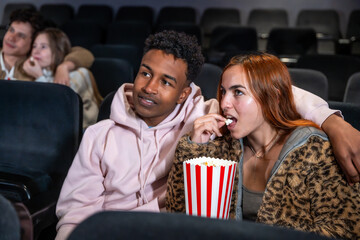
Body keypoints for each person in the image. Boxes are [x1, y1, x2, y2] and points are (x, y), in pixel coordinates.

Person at [55, 30, 359, 240]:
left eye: (166, 81)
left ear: (183, 94)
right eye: (145, 73)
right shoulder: (99, 134)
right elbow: (74, 212)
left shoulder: (201, 115)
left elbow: (273, 90)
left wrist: (332, 121)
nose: (149, 87)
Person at [166, 52, 360, 239]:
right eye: (224, 92)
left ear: (273, 97)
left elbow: (345, 229)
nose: (224, 103)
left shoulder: (315, 150)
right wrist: (194, 150)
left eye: (238, 92)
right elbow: (178, 215)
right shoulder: (219, 147)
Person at [22, 28, 103, 128]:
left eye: (43, 47)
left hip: (80, 131)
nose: (36, 51)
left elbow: (54, 108)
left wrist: (39, 77)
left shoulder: (79, 74)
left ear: (58, 51)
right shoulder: (38, 72)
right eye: (34, 46)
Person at [0, 8, 94, 84]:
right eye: (11, 30)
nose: (11, 38)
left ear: (33, 41)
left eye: (21, 35)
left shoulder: (37, 62)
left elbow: (84, 54)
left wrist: (64, 67)